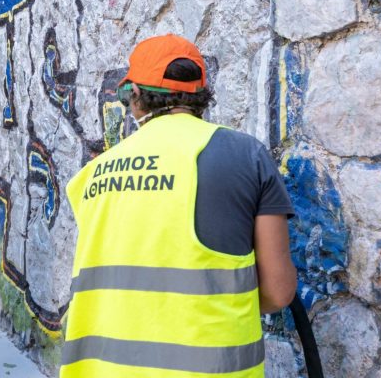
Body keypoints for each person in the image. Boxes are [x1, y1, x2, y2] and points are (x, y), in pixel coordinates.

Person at [60, 34, 297, 378]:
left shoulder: (91, 175)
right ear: (201, 95)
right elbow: (277, 292)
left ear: (135, 97)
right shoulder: (246, 156)